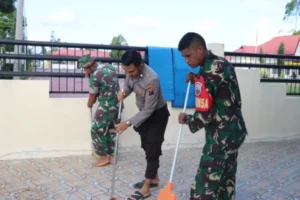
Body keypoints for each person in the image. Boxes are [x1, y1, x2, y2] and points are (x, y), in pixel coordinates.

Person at [177, 32, 248, 199]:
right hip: (233, 132)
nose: (186, 60)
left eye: (188, 55)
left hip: (220, 139)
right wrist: (197, 79)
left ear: (200, 49)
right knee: (225, 182)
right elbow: (219, 91)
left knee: (203, 188)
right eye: (183, 57)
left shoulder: (209, 70)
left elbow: (204, 115)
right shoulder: (219, 63)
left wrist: (186, 119)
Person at [115, 50, 170, 200]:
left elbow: (149, 110)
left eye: (131, 71)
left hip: (157, 115)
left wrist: (126, 123)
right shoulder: (129, 70)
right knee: (146, 146)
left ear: (140, 65)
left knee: (152, 149)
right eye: (126, 71)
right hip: (144, 115)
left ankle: (146, 189)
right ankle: (154, 178)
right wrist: (123, 93)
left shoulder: (152, 79)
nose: (129, 74)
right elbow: (129, 86)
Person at [79, 54, 121, 167]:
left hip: (107, 106)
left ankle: (103, 157)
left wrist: (89, 104)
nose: (84, 70)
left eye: (84, 68)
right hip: (118, 104)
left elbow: (93, 96)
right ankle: (112, 156)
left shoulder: (94, 76)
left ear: (89, 66)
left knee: (96, 130)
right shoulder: (109, 66)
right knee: (112, 129)